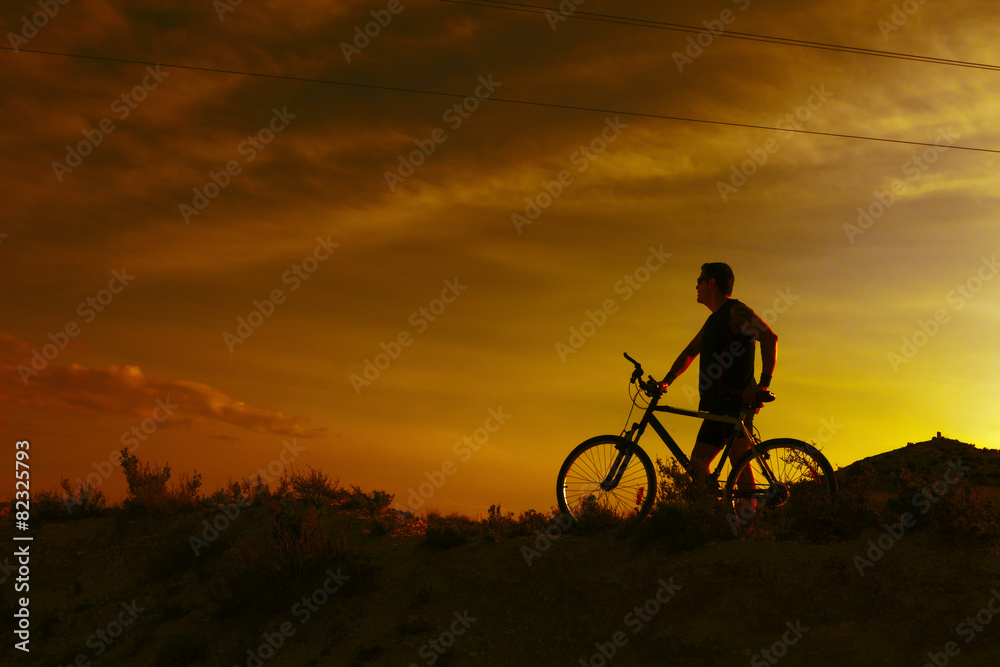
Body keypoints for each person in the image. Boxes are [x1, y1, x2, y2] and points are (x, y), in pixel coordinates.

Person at [659, 263, 777, 496]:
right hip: (716, 405)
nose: (696, 286)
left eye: (700, 280)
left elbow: (769, 337)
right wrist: (666, 381)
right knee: (699, 463)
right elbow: (690, 352)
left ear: (712, 283)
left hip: (733, 402)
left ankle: (746, 525)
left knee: (740, 463)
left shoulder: (736, 312)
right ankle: (713, 517)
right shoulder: (713, 321)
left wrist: (763, 384)